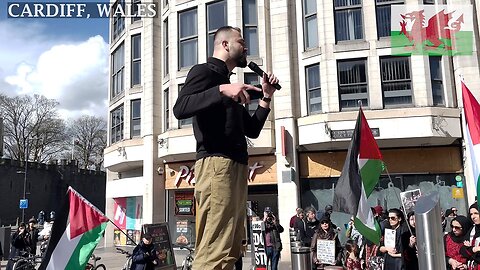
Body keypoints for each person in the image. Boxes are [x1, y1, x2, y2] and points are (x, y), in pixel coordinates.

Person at [173, 26, 278, 270]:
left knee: (231, 247)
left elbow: (251, 129)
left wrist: (266, 96)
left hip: (235, 166)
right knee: (215, 248)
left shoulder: (228, 83)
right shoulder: (205, 73)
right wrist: (221, 91)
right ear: (225, 45)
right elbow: (180, 108)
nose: (246, 46)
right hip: (216, 165)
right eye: (241, 41)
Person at [460, 203, 480, 269]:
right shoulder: (472, 229)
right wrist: (474, 249)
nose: (473, 217)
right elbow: (462, 250)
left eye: (476, 213)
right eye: (471, 214)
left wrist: (469, 249)